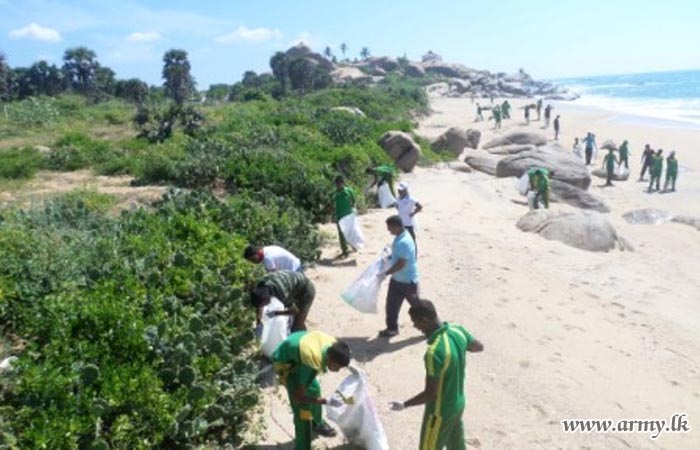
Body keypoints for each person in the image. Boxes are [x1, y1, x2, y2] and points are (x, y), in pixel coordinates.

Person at [389, 299, 483, 450]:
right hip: (458, 403)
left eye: (415, 322)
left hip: (440, 413)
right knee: (456, 444)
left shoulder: (434, 353)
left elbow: (431, 394)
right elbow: (478, 347)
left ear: (424, 320)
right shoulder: (457, 330)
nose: (415, 326)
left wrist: (405, 404)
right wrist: (459, 348)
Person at [273, 331, 352, 449]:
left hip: (299, 347)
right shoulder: (310, 361)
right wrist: (326, 401)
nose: (337, 371)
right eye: (336, 367)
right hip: (287, 362)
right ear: (330, 358)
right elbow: (297, 397)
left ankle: (317, 423)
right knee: (303, 414)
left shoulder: (333, 345)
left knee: (314, 389)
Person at [378, 215, 419, 337]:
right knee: (391, 307)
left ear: (397, 226)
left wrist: (386, 272)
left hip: (408, 282)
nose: (388, 230)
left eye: (390, 228)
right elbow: (397, 257)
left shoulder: (404, 242)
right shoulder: (400, 237)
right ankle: (392, 329)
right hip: (397, 280)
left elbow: (401, 263)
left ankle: (433, 327)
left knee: (418, 308)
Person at [250, 271, 316, 332]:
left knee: (296, 327)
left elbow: (294, 311)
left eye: (264, 305)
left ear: (266, 299)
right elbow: (259, 305)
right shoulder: (260, 286)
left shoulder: (281, 292)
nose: (264, 306)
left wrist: (274, 313)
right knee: (298, 322)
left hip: (306, 290)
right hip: (295, 286)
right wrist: (258, 322)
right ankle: (304, 337)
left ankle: (308, 342)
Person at [333, 175, 356, 257]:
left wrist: (353, 211)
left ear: (343, 183)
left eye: (340, 183)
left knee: (350, 231)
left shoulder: (349, 191)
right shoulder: (334, 193)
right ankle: (344, 250)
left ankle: (354, 245)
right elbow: (332, 205)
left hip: (349, 215)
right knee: (341, 233)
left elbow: (353, 201)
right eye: (337, 183)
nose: (338, 185)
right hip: (339, 216)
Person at [396, 182, 423, 250]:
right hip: (401, 222)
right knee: (401, 238)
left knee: (412, 239)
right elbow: (397, 206)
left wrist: (413, 213)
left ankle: (414, 255)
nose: (399, 191)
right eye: (398, 190)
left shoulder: (411, 199)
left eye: (401, 190)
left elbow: (420, 206)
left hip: (408, 222)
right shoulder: (398, 198)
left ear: (405, 190)